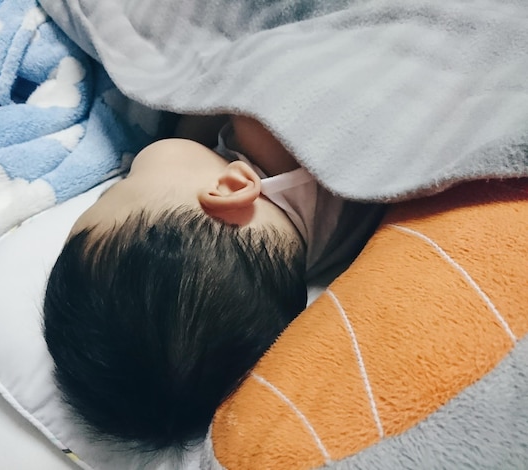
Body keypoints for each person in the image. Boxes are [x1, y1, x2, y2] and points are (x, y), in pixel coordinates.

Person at [43, 115, 384, 452]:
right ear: (232, 187)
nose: (116, 180)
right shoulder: (266, 133)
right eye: (121, 187)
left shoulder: (331, 251)